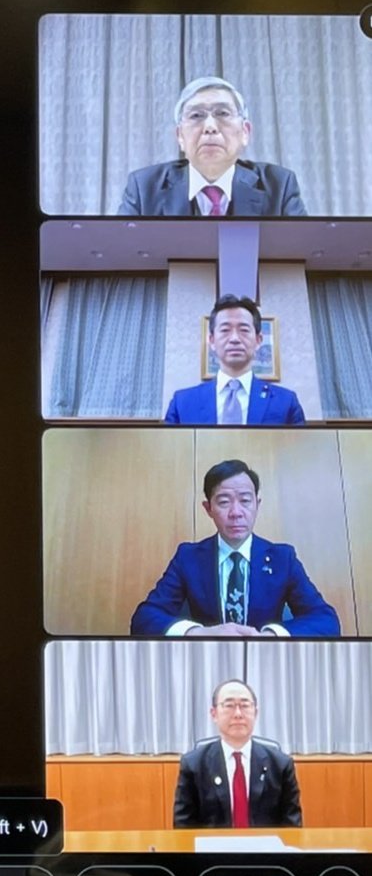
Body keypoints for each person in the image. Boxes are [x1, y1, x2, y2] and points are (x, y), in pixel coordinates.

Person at [130, 459, 340, 638]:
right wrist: (200, 633)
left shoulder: (283, 558)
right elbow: (144, 618)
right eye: (224, 502)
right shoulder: (188, 557)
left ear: (257, 504)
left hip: (266, 660)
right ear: (208, 508)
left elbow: (326, 620)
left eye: (245, 501)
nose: (236, 512)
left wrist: (271, 636)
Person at [118, 77, 307, 217]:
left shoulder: (279, 185)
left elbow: (299, 253)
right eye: (196, 116)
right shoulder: (144, 188)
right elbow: (122, 254)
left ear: (245, 132)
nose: (210, 127)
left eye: (222, 113)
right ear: (180, 136)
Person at [173, 679, 302, 828]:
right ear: (214, 714)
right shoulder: (193, 765)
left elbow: (292, 824)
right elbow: (183, 825)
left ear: (256, 713)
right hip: (212, 843)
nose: (238, 714)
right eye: (229, 705)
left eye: (245, 705)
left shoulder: (281, 765)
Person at [165, 295, 305, 425]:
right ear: (212, 340)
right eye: (225, 330)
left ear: (258, 340)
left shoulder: (286, 402)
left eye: (244, 330)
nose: (234, 339)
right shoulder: (182, 402)